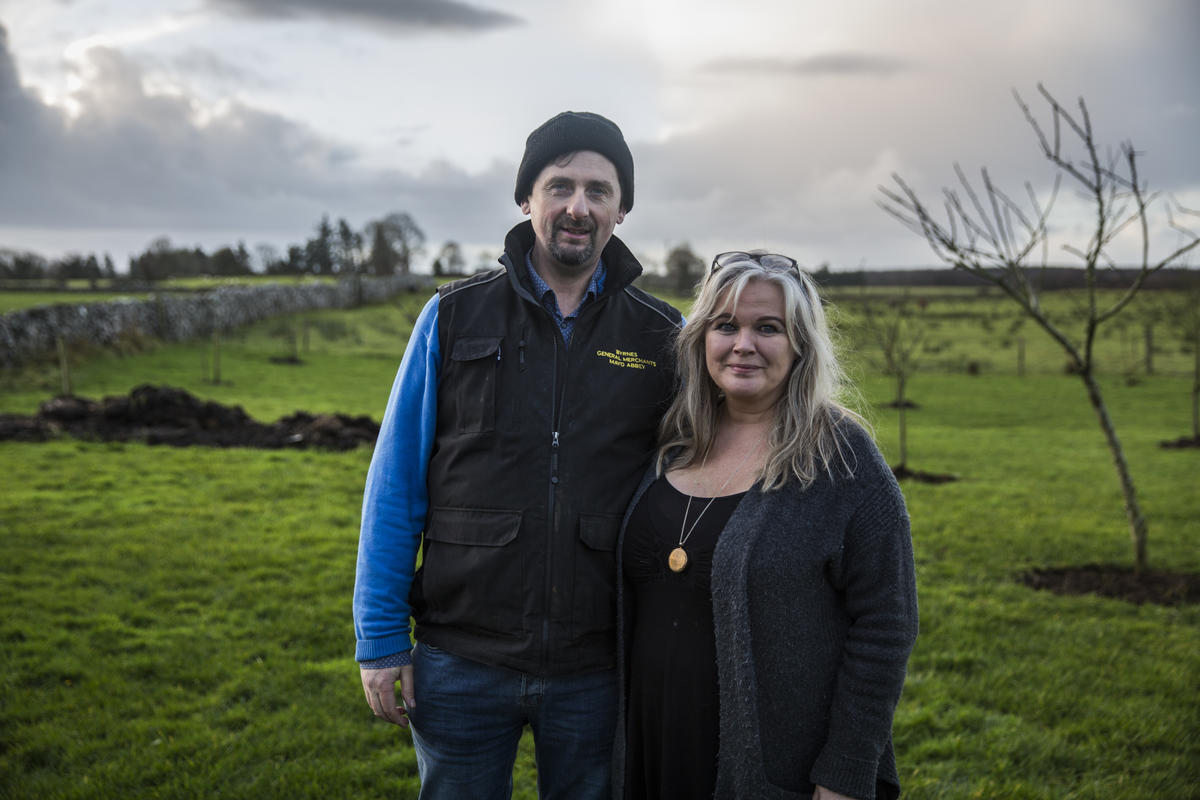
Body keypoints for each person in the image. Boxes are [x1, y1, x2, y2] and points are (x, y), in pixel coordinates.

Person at [353, 111, 683, 800]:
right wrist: (381, 639)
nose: (578, 206)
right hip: (461, 659)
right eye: (559, 185)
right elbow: (394, 486)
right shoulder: (452, 317)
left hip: (599, 665)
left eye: (599, 190)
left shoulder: (662, 336)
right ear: (526, 198)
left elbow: (692, 489)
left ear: (621, 210)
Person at [613, 252, 919, 800]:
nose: (743, 343)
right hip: (651, 745)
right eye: (725, 325)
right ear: (700, 338)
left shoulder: (841, 457)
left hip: (775, 768)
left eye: (768, 328)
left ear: (800, 344)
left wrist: (845, 771)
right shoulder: (672, 441)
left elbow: (886, 624)